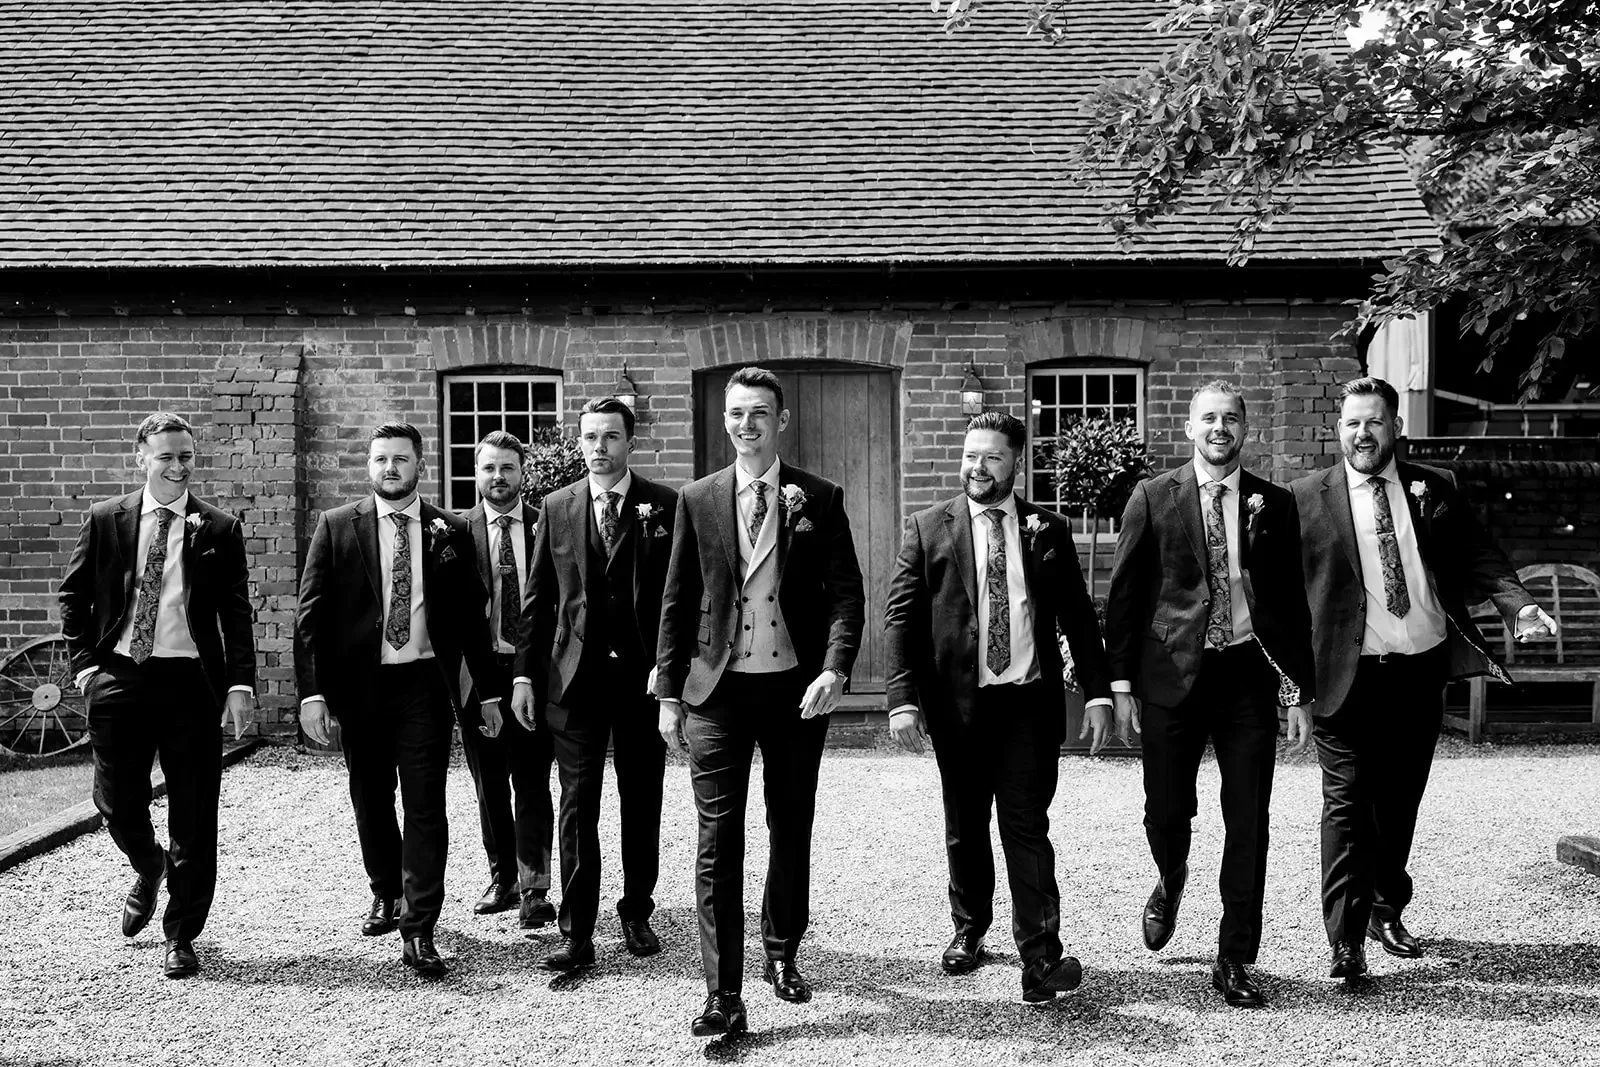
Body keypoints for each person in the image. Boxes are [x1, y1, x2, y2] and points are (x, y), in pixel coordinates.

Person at [1291, 376, 1557, 980]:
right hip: (1345, 678)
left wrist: (1518, 606)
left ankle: (1388, 907)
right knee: (1348, 806)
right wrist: (1293, 687)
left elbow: (1480, 556)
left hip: (1419, 671)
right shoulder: (1304, 498)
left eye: (1375, 422)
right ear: (1339, 430)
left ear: (1395, 428)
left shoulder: (1434, 488)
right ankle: (1346, 937)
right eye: (1354, 422)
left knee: (1399, 801)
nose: (1364, 433)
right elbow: (1281, 598)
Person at [656, 366, 865, 1037]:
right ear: (726, 422)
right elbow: (677, 601)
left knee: (789, 824)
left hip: (793, 688)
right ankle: (723, 993)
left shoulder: (819, 498)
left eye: (759, 414)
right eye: (736, 414)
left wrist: (834, 670)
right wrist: (668, 692)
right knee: (717, 839)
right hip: (716, 693)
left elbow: (845, 598)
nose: (747, 425)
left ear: (781, 422)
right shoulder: (698, 498)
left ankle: (782, 952)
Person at [884, 411, 1112, 1005]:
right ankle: (970, 928)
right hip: (957, 707)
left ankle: (1041, 958)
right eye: (970, 456)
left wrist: (1098, 692)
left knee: (1026, 825)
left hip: (1027, 707)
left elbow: (1078, 619)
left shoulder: (1047, 529)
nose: (977, 468)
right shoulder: (929, 527)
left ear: (1016, 462)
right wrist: (901, 699)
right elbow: (901, 619)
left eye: (991, 458)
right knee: (965, 825)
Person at [1103, 381, 1316, 1008]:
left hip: (1247, 675)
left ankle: (1235, 956)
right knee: (1166, 810)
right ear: (1190, 427)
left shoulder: (1273, 504)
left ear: (1244, 429)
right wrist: (1120, 686)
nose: (1220, 428)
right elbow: (1125, 596)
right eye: (1209, 419)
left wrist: (1296, 690)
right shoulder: (1152, 496)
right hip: (1172, 675)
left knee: (1248, 818)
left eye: (1231, 418)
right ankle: (1170, 877)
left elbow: (1289, 602)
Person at [295, 422, 504, 978]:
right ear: (369, 465)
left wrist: (488, 693)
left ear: (420, 465)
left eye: (401, 459)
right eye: (381, 459)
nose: (391, 468)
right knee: (370, 795)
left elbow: (471, 621)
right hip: (360, 687)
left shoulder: (450, 529)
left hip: (422, 685)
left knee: (425, 804)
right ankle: (384, 890)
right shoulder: (337, 527)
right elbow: (310, 617)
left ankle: (420, 925)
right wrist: (313, 693)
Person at [58, 411, 255, 979]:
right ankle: (149, 864)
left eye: (186, 455)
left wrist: (239, 682)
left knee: (195, 812)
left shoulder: (218, 527)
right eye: (165, 455)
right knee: (117, 800)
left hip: (190, 680)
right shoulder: (105, 519)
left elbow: (235, 612)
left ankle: (182, 933)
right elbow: (73, 596)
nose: (177, 465)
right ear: (141, 457)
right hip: (119, 675)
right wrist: (85, 669)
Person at [511, 397, 675, 972]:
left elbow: (680, 598)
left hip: (641, 680)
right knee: (578, 804)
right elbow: (537, 600)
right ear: (578, 444)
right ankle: (577, 930)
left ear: (630, 442)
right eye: (589, 438)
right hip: (573, 680)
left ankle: (636, 909)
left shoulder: (665, 505)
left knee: (641, 797)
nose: (599, 447)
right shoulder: (556, 507)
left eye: (610, 436)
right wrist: (525, 675)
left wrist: (669, 665)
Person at [458, 431, 556, 929]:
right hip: (477, 675)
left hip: (533, 674)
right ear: (477, 474)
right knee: (488, 781)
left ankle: (535, 886)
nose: (499, 478)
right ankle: (503, 877)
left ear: (523, 474)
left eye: (508, 469)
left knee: (533, 778)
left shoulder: (548, 525)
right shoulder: (455, 531)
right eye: (490, 468)